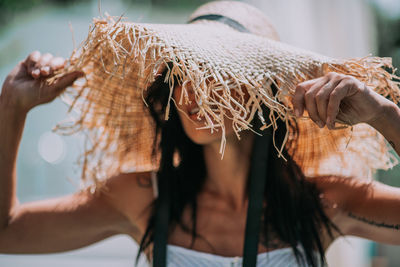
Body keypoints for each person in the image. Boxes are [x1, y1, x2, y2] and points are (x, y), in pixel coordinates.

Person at [1, 1, 400, 267]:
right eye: (183, 74)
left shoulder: (324, 202)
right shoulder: (146, 196)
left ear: (263, 91)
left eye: (214, 74)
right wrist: (11, 108)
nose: (191, 93)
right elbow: (8, 232)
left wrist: (383, 115)